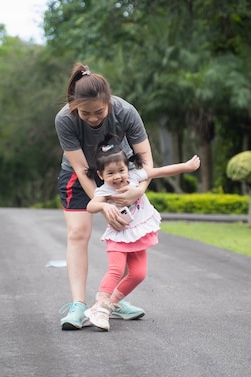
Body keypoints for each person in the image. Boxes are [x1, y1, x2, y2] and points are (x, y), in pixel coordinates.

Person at [55, 63, 154, 330]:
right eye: (85, 113)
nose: (93, 118)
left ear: (109, 102)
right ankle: (78, 305)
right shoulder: (65, 119)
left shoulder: (125, 111)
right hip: (82, 177)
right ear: (74, 106)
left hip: (120, 174)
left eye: (99, 112)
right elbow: (81, 169)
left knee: (124, 233)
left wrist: (137, 190)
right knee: (78, 233)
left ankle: (111, 301)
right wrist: (102, 204)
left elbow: (145, 162)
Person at [83, 141, 201, 331]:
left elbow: (161, 171)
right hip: (118, 236)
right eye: (110, 173)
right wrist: (104, 205)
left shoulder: (136, 177)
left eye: (121, 170)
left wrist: (186, 167)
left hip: (137, 234)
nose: (117, 177)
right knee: (116, 270)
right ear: (100, 174)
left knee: (138, 274)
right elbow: (91, 206)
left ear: (127, 167)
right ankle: (100, 307)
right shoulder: (104, 190)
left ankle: (110, 304)